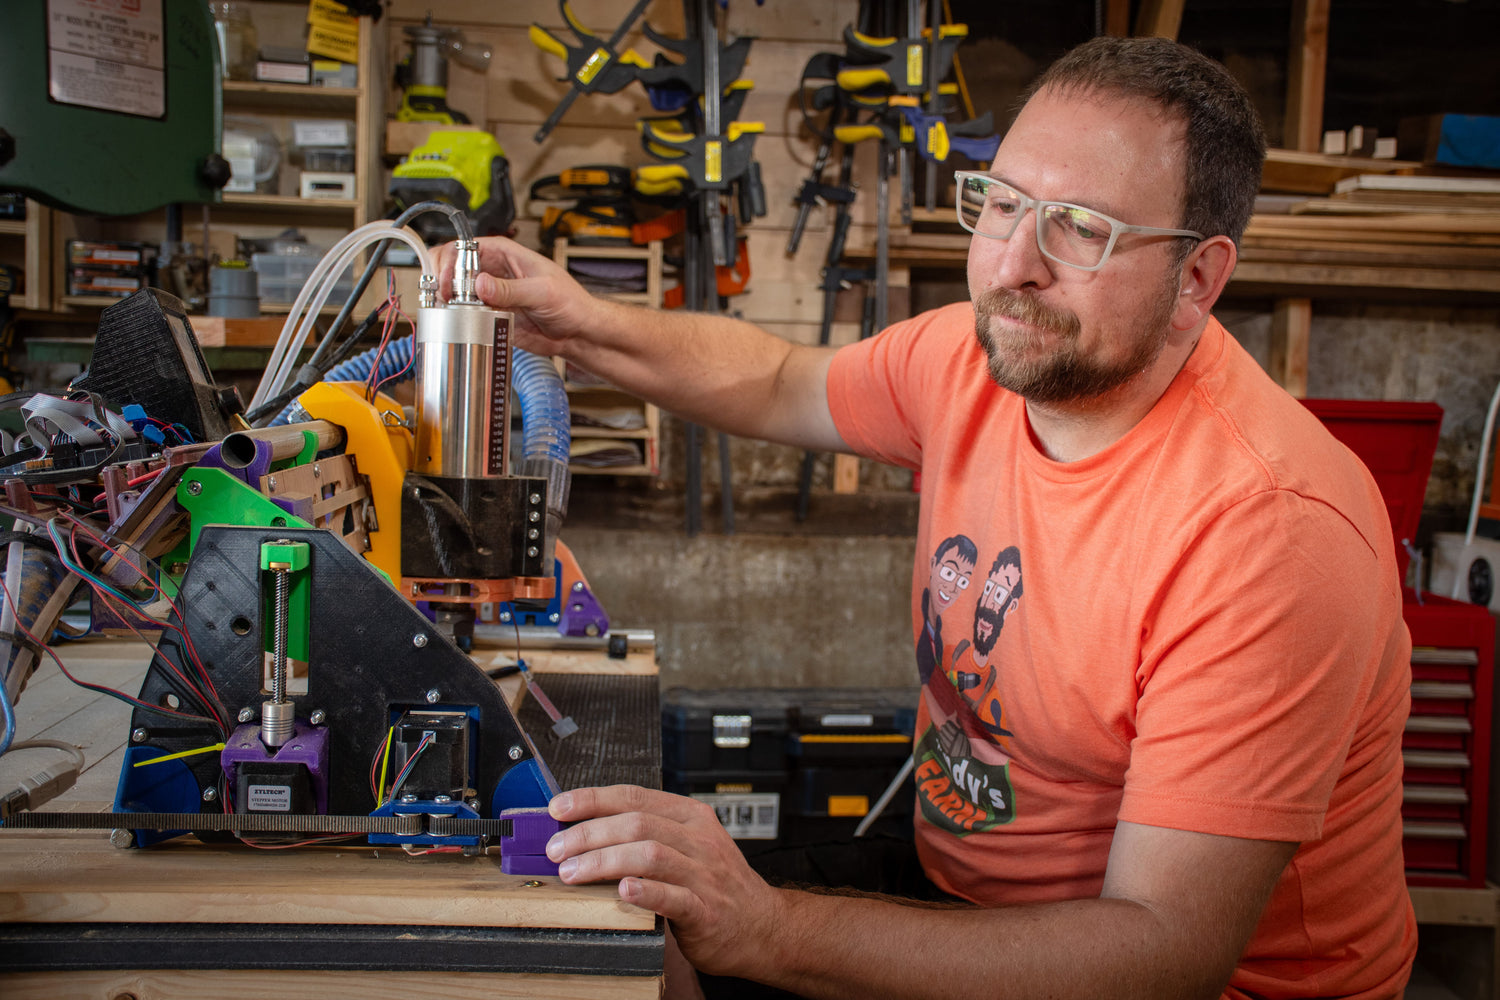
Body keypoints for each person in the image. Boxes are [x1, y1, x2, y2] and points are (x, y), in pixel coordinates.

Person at [437, 34, 1415, 1000]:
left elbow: (1165, 953)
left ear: (1196, 279)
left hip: (1184, 976)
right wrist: (579, 322)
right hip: (968, 894)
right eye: (1001, 204)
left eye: (1080, 227)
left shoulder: (1267, 530)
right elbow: (781, 380)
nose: (1014, 265)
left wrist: (770, 928)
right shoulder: (982, 360)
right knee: (642, 927)